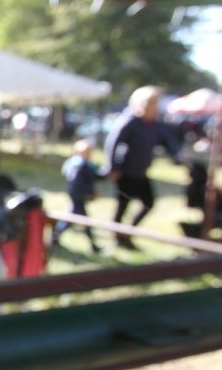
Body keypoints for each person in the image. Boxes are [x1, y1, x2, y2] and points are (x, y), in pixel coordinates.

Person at [103, 85, 181, 250]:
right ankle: (117, 236)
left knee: (148, 202)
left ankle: (127, 232)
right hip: (126, 172)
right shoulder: (130, 120)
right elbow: (113, 143)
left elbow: (167, 141)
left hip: (141, 172)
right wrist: (113, 167)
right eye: (153, 103)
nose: (155, 108)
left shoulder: (154, 125)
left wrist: (177, 155)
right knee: (123, 204)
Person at [51, 139, 105, 253]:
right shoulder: (77, 164)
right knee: (76, 219)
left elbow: (95, 175)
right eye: (87, 151)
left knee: (76, 219)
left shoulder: (85, 164)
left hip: (78, 194)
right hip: (77, 194)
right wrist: (90, 191)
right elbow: (77, 181)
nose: (89, 154)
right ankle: (54, 238)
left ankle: (54, 238)